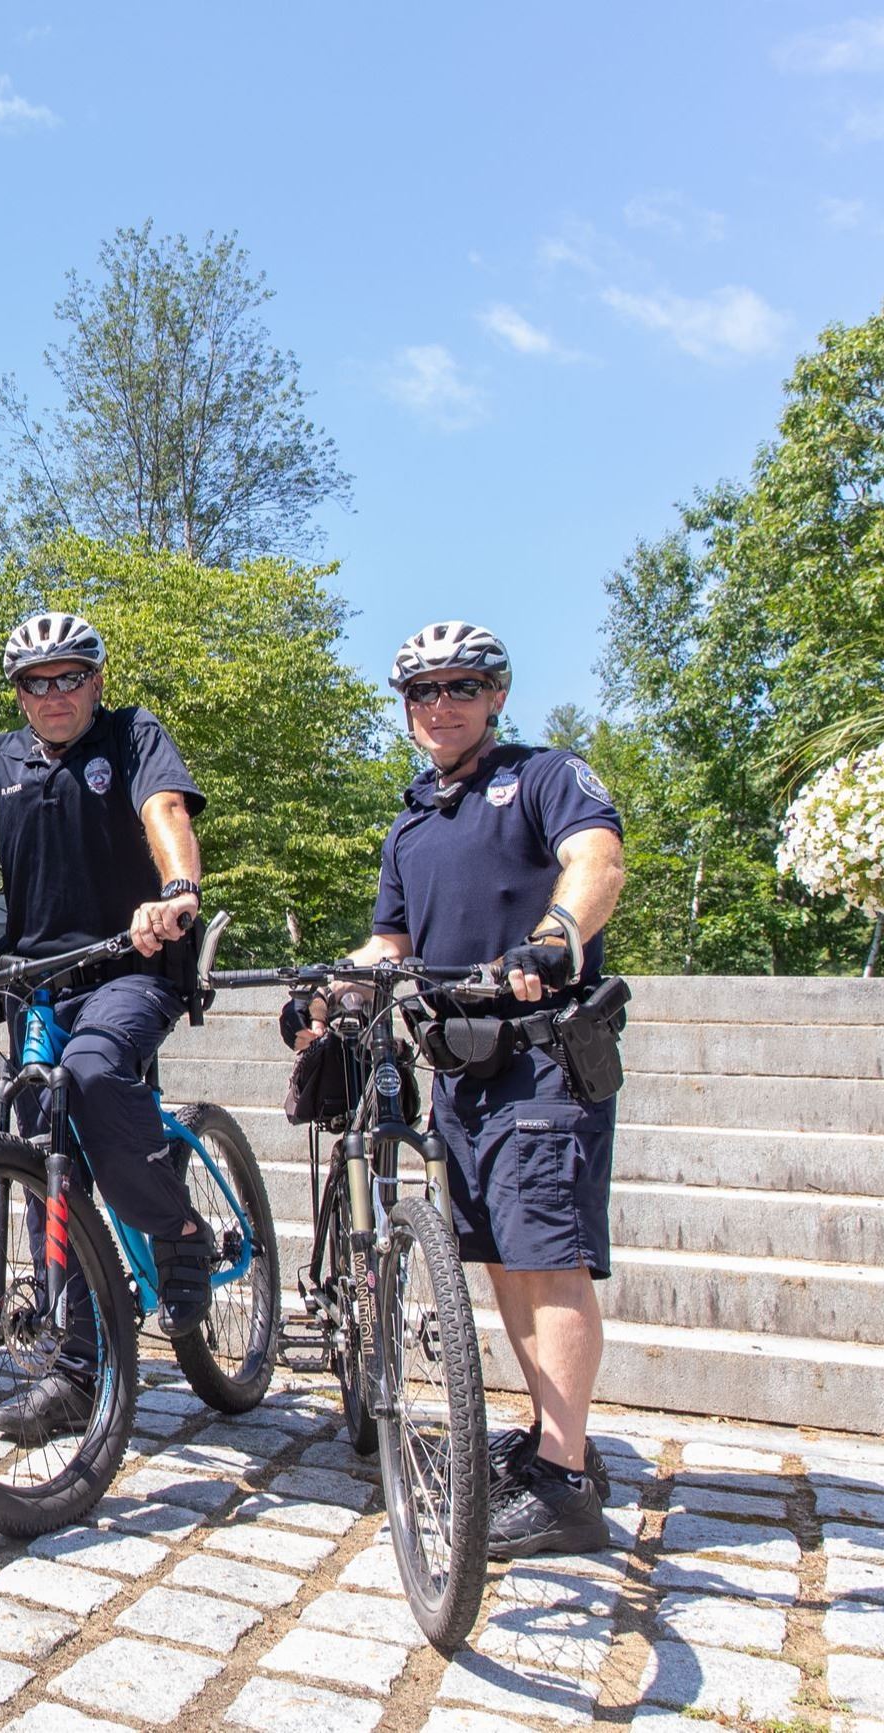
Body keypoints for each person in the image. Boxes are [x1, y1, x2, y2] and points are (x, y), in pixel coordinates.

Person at [296, 621, 626, 1558]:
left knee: (547, 1259)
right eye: (423, 692)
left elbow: (596, 859)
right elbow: (389, 943)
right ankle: (555, 1447)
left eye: (459, 687)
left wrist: (558, 936)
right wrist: (335, 985)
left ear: (495, 696)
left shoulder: (545, 776)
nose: (440, 705)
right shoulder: (411, 821)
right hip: (460, 1068)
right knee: (504, 1260)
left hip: (541, 1055)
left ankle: (564, 1486)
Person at [0, 610, 213, 1446]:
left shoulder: (133, 736)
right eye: (37, 681)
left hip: (131, 967)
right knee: (42, 1161)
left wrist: (177, 891)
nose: (55, 693)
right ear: (19, 693)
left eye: (70, 676)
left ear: (96, 681)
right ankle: (77, 1367)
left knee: (97, 1076)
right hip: (39, 983)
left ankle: (177, 1234)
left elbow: (167, 810)